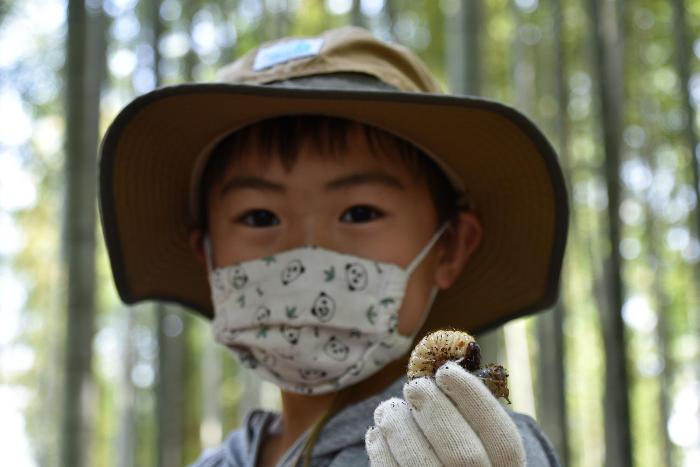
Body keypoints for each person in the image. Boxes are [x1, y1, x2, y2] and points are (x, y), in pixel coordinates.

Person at [99, 26, 568, 466]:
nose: (308, 253)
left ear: (449, 248)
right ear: (208, 257)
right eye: (260, 216)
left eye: (359, 213)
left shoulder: (480, 449)